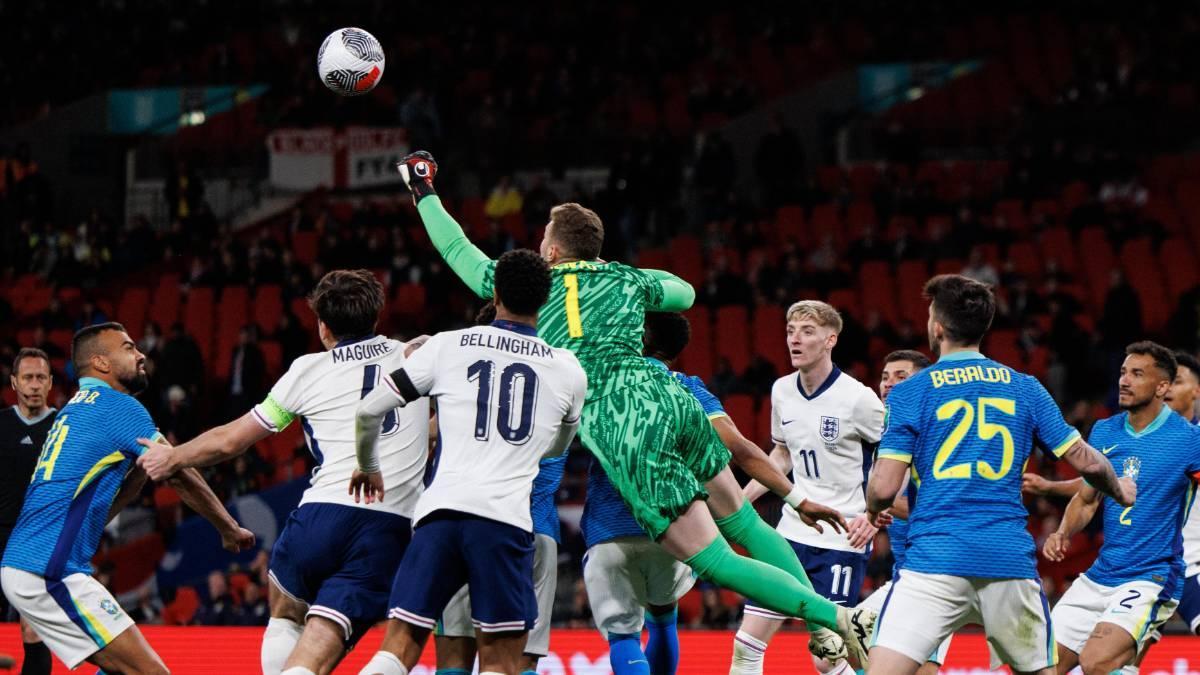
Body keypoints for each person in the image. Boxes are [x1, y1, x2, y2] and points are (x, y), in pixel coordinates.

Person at [395, 151, 876, 663]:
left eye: (542, 240)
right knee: (747, 525)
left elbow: (455, 248)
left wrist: (424, 191)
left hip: (621, 418)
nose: (538, 246)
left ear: (553, 250)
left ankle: (840, 618)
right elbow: (685, 292)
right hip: (666, 392)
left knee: (712, 558)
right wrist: (630, 283)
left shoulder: (532, 286)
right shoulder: (626, 278)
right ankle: (823, 625)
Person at [137, 270, 431, 675]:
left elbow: (230, 441)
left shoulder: (306, 370)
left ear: (323, 326)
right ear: (376, 317)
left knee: (286, 610)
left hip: (320, 516)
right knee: (336, 635)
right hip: (388, 525)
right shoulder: (417, 356)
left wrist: (174, 457)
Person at [864, 275, 1135, 675]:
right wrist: (1120, 490)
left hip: (934, 561)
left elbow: (885, 488)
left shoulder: (911, 392)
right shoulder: (1026, 387)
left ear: (937, 326)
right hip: (1007, 560)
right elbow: (1088, 462)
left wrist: (873, 507)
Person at [352, 249, 588, 675]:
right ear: (546, 300)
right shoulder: (568, 370)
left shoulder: (447, 345)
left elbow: (370, 410)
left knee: (398, 646)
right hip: (504, 522)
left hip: (439, 516)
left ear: (494, 293)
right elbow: (557, 448)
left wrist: (369, 464)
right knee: (501, 661)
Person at [584, 311, 847, 675]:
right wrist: (795, 498)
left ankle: (834, 622)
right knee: (663, 619)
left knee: (624, 637)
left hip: (607, 527)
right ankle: (826, 624)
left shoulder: (602, 382)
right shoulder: (688, 387)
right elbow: (741, 449)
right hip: (675, 527)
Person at [0, 323, 254, 674]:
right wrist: (228, 527)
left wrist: (132, 486)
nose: (141, 355)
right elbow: (178, 470)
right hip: (47, 569)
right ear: (102, 363)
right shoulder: (118, 407)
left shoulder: (75, 408)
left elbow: (100, 500)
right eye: (129, 347)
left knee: (121, 668)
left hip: (35, 564)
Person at [732, 301, 886, 675]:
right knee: (746, 644)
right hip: (790, 532)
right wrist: (741, 500)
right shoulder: (782, 390)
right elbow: (782, 454)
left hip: (841, 538)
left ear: (831, 339)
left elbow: (896, 457)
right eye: (790, 331)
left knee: (826, 658)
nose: (794, 340)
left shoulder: (858, 398)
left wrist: (874, 514)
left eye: (807, 331)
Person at [1022, 350, 1200, 669]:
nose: (1124, 381)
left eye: (1137, 374)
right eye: (1123, 372)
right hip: (1102, 574)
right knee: (1039, 664)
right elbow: (1089, 496)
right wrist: (1063, 532)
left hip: (1154, 575)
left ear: (1162, 387)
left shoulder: (1190, 441)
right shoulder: (1104, 431)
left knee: (1098, 660)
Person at [432, 301, 568, 675]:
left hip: (465, 521)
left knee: (453, 655)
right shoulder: (560, 378)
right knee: (516, 662)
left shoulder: (460, 401)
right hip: (535, 530)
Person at [857, 350, 950, 675]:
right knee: (836, 649)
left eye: (901, 377)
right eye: (885, 377)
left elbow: (932, 508)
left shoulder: (934, 438)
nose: (889, 384)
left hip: (933, 577)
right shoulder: (888, 437)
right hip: (903, 577)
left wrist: (871, 502)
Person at [0, 349, 57, 675]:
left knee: (33, 629)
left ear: (50, 383)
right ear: (14, 382)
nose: (34, 385)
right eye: (27, 378)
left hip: (39, 541)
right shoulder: (1, 424)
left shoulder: (64, 427)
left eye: (40, 378)